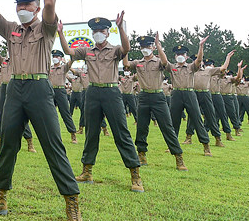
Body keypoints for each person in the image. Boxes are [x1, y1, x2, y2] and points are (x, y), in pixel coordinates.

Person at [0, 0, 84, 221]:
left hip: (39, 88)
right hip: (15, 89)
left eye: (27, 5)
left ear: (36, 7)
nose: (22, 9)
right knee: (8, 144)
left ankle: (72, 204)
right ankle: (0, 198)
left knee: (53, 145)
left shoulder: (46, 28)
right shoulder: (12, 28)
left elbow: (51, 5)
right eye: (19, 5)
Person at [58, 16, 145, 192]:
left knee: (122, 133)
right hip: (92, 93)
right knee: (91, 133)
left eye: (101, 31)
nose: (98, 34)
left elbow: (126, 48)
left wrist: (120, 28)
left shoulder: (115, 50)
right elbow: (69, 51)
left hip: (111, 92)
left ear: (107, 32)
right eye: (95, 31)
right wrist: (60, 33)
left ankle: (135, 175)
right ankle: (87, 171)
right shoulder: (87, 51)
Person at [123, 36, 187, 171]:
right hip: (144, 96)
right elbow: (126, 64)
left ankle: (178, 156)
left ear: (152, 47)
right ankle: (141, 154)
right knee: (142, 127)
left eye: (147, 46)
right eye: (142, 46)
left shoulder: (158, 61)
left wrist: (159, 46)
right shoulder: (138, 62)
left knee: (167, 127)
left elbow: (165, 63)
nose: (144, 48)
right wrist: (126, 49)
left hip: (158, 96)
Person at [167, 40, 214, 156]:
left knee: (197, 119)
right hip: (176, 94)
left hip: (189, 94)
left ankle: (206, 146)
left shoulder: (191, 67)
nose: (180, 56)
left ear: (186, 56)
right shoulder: (172, 67)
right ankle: (172, 145)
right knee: (174, 121)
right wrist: (158, 45)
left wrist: (201, 46)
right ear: (175, 56)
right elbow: (164, 61)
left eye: (182, 54)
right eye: (178, 54)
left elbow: (198, 60)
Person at [49, 50, 77, 143]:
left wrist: (71, 57)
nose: (55, 58)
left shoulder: (64, 67)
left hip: (60, 91)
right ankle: (52, 136)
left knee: (65, 113)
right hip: (50, 91)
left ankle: (73, 134)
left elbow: (70, 63)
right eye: (54, 56)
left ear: (61, 58)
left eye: (57, 56)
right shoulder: (49, 68)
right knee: (49, 114)